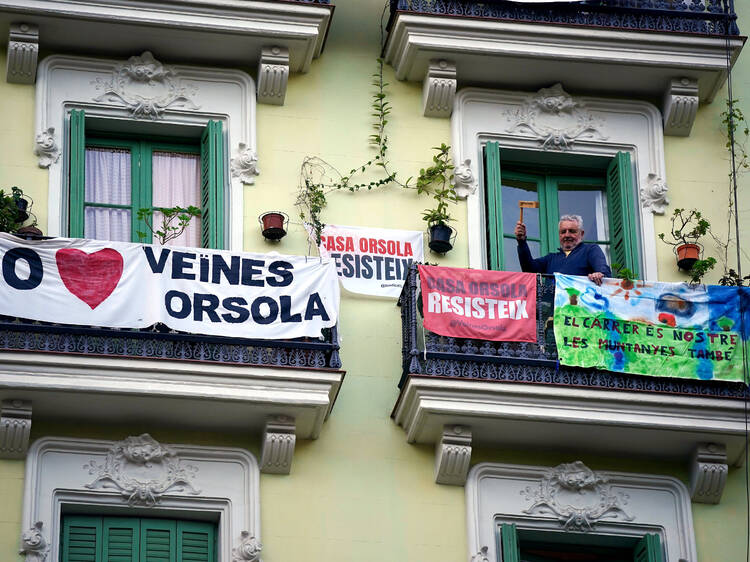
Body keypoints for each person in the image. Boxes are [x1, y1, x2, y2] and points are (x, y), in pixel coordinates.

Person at [514, 214, 611, 285]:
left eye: (572, 231)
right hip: (554, 311)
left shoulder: (590, 250)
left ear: (581, 234)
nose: (567, 235)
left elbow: (603, 272)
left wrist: (599, 274)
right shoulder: (551, 259)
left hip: (581, 309)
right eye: (563, 232)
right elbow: (529, 269)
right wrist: (521, 242)